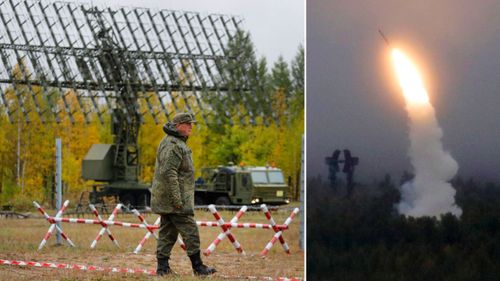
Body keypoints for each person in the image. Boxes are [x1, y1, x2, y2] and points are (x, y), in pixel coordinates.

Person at [151, 112, 216, 276]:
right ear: (178, 125)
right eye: (188, 124)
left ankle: (162, 269)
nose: (191, 127)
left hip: (171, 199)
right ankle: (198, 268)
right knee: (190, 231)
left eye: (191, 124)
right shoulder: (174, 145)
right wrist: (177, 199)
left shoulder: (175, 142)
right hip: (175, 200)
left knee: (168, 232)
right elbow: (169, 173)